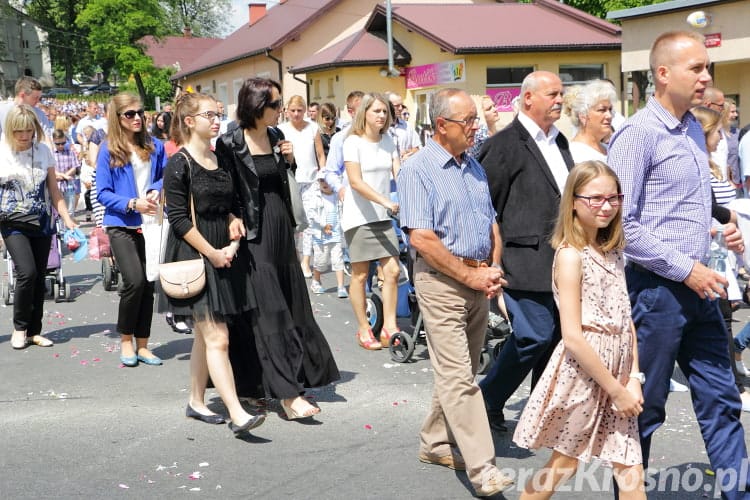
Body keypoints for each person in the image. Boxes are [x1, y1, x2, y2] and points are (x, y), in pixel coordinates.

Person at [607, 31, 750, 499]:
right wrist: (684, 268)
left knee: (721, 398)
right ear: (663, 74)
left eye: (708, 68)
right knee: (643, 409)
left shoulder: (692, 126)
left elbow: (692, 197)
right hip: (655, 292)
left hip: (700, 286)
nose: (707, 77)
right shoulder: (636, 135)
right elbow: (621, 224)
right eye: (697, 68)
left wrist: (723, 223)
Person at [398, 87, 513, 497]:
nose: (475, 126)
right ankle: (483, 468)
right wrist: (470, 277)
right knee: (460, 377)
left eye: (474, 120)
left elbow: (490, 224)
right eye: (467, 121)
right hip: (442, 282)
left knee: (458, 370)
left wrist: (492, 267)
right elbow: (422, 239)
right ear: (441, 125)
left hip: (478, 281)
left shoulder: (473, 165)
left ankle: (434, 442)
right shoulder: (418, 170)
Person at [513, 161, 645, 499]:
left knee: (630, 467)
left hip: (618, 368)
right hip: (585, 374)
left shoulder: (613, 251)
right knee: (565, 464)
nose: (606, 206)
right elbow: (572, 335)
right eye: (595, 198)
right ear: (573, 200)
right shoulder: (571, 256)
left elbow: (625, 319)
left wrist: (633, 377)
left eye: (613, 197)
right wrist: (615, 389)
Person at [215, 77, 339, 420]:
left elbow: (281, 182)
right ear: (256, 105)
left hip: (280, 226)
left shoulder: (275, 136)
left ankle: (261, 384)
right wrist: (229, 217)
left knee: (290, 303)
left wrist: (290, 160)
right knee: (269, 310)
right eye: (274, 105)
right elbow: (222, 189)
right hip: (252, 234)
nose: (280, 110)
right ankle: (287, 395)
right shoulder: (229, 142)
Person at [160, 93, 264, 434]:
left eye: (219, 114)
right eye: (210, 115)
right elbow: (177, 219)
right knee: (217, 337)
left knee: (206, 336)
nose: (217, 120)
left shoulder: (220, 157)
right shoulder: (180, 163)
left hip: (223, 252)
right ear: (190, 121)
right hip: (195, 253)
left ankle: (196, 400)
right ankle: (237, 414)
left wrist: (234, 218)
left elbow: (230, 202)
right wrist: (212, 252)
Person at [477, 70, 574, 433]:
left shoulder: (559, 141)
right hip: (522, 260)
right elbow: (486, 207)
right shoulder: (504, 144)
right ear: (528, 98)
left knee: (555, 339)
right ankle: (487, 396)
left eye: (562, 94)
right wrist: (492, 263)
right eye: (553, 94)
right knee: (534, 334)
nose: (560, 100)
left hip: (562, 259)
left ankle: (539, 410)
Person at [96, 93, 167, 367]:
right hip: (120, 223)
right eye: (130, 114)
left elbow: (163, 176)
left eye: (140, 112)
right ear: (118, 118)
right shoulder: (108, 150)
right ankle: (126, 339)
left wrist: (155, 190)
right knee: (134, 280)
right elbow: (102, 192)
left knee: (148, 283)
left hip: (150, 223)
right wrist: (131, 203)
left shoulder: (154, 145)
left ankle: (143, 344)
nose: (137, 118)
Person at [1, 105, 77, 349]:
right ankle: (19, 327)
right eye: (19, 131)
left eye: (29, 131)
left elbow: (54, 190)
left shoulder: (44, 151)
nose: (24, 136)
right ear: (10, 130)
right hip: (12, 222)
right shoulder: (2, 152)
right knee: (27, 272)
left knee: (40, 275)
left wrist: (67, 218)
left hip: (42, 221)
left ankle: (35, 330)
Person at [342, 92, 402, 350]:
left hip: (383, 217)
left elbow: (399, 173)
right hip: (359, 218)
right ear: (364, 113)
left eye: (385, 112)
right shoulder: (352, 142)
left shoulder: (389, 140)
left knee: (393, 271)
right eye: (377, 111)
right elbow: (356, 182)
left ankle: (390, 326)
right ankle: (364, 328)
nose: (381, 115)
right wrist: (386, 201)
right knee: (361, 274)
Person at [278, 95, 326, 277]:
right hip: (291, 180)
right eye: (293, 111)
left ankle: (306, 261)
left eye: (300, 110)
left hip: (311, 180)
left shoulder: (313, 127)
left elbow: (320, 154)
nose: (297, 114)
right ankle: (295, 256)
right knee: (292, 222)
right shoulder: (280, 130)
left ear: (305, 111)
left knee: (310, 221)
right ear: (287, 111)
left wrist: (323, 174)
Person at [305, 171, 347, 298]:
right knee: (321, 261)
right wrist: (323, 225)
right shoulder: (316, 197)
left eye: (327, 180)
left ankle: (341, 286)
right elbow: (311, 214)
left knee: (338, 260)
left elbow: (341, 213)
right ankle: (316, 281)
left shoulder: (336, 196)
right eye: (321, 180)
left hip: (335, 234)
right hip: (320, 235)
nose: (325, 183)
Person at [562, 80, 616, 163]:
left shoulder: (608, 149)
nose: (609, 115)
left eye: (610, 109)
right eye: (602, 110)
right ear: (583, 115)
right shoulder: (576, 154)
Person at [324, 91, 364, 199]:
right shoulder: (341, 138)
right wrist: (340, 189)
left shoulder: (381, 135)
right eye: (362, 109)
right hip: (353, 198)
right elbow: (331, 171)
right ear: (351, 112)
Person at [51, 129, 81, 216]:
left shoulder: (70, 152)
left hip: (69, 185)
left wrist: (64, 176)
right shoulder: (51, 153)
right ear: (54, 141)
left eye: (63, 143)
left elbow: (74, 167)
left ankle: (69, 228)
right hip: (56, 186)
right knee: (57, 212)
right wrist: (64, 175)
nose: (61, 146)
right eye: (58, 144)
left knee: (70, 210)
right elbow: (51, 170)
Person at [386, 92, 421, 160]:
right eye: (397, 105)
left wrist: (408, 152)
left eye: (401, 105)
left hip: (405, 168)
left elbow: (417, 149)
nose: (400, 108)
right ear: (387, 106)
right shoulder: (380, 128)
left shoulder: (407, 126)